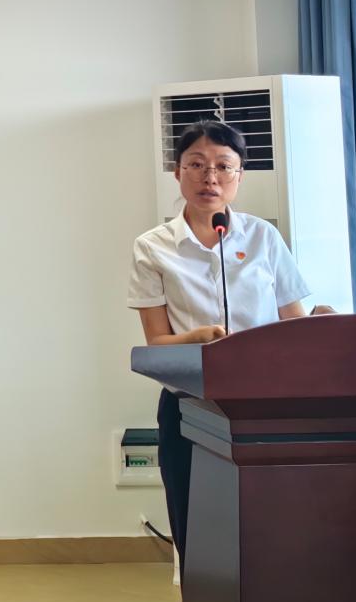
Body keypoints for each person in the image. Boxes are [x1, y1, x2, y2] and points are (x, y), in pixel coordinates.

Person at [127, 119, 329, 570]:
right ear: (178, 173)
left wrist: (321, 324)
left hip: (268, 406)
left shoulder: (262, 237)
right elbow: (157, 342)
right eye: (196, 165)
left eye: (223, 166)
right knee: (196, 529)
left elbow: (294, 325)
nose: (210, 177)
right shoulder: (153, 247)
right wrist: (198, 338)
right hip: (191, 406)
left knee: (273, 528)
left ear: (240, 175)